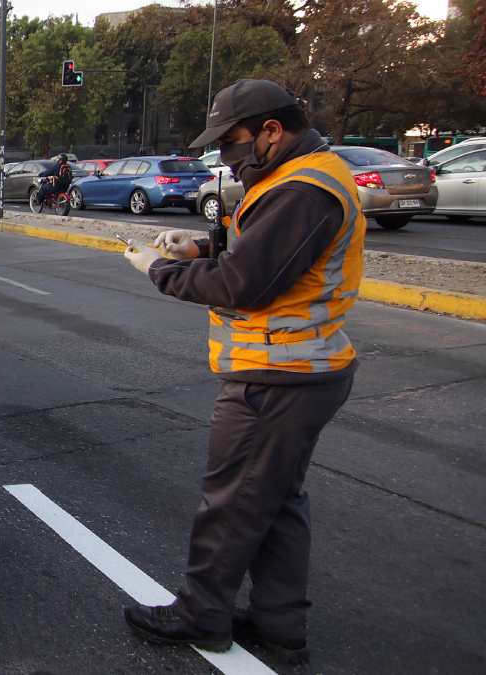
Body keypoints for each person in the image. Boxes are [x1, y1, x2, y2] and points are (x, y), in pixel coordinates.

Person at [120, 79, 365, 663]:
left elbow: (243, 284)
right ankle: (281, 626)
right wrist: (202, 247)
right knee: (276, 501)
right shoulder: (301, 177)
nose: (226, 158)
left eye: (231, 145)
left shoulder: (304, 188)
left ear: (272, 132)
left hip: (277, 374)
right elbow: (270, 257)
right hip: (302, 367)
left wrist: (158, 268)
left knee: (231, 502)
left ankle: (202, 614)